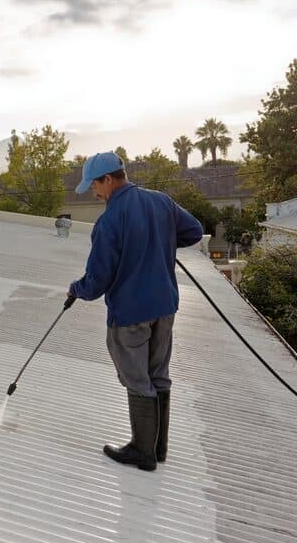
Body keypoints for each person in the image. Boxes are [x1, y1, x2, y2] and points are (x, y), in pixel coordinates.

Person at [68, 152, 203, 471]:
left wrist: (77, 288)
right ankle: (158, 449)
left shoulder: (109, 221)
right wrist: (162, 241)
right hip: (165, 307)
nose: (94, 192)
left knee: (137, 378)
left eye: (95, 186)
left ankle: (142, 452)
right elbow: (194, 231)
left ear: (110, 180)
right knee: (158, 374)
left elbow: (98, 279)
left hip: (130, 314)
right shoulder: (161, 202)